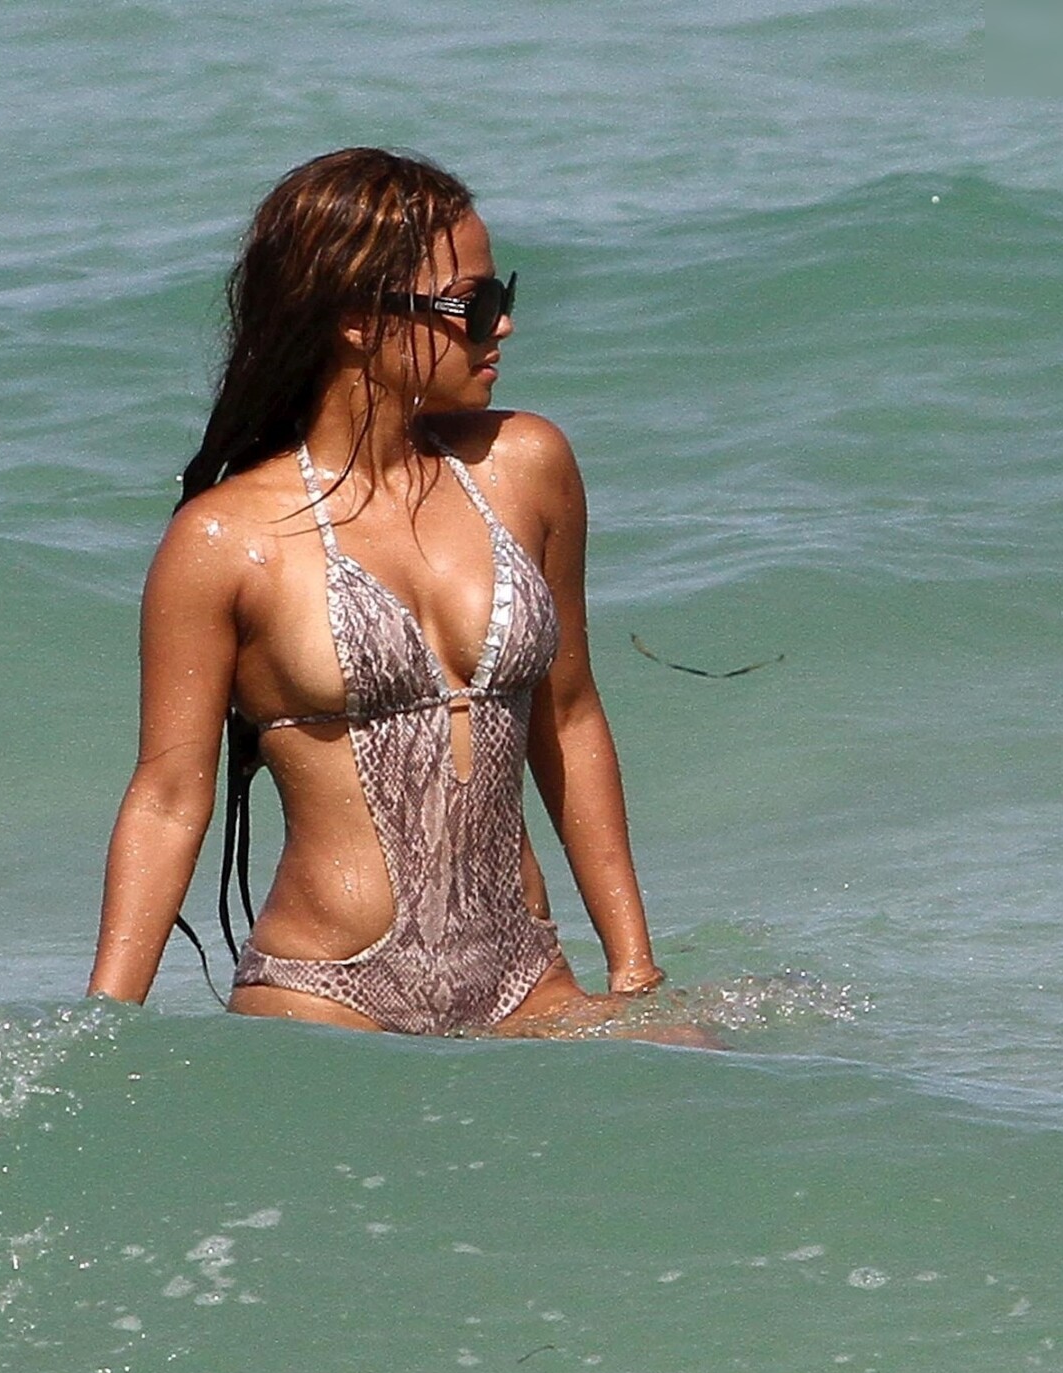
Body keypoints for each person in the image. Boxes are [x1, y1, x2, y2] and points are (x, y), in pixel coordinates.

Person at [87, 147, 665, 1035]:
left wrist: (633, 966)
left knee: (698, 1063)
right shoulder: (225, 540)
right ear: (359, 321)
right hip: (325, 992)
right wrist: (104, 1031)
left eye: (501, 295)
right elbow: (168, 798)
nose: (503, 325)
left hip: (525, 978)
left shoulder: (525, 467)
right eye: (474, 304)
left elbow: (572, 715)